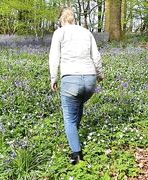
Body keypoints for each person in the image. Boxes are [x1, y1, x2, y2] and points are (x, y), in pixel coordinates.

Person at [49, 7, 104, 165]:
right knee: (78, 105)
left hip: (70, 79)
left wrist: (53, 78)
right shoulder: (86, 32)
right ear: (74, 19)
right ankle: (75, 136)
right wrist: (100, 75)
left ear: (62, 20)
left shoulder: (59, 33)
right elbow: (96, 57)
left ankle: (77, 155)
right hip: (90, 80)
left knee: (69, 119)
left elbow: (54, 58)